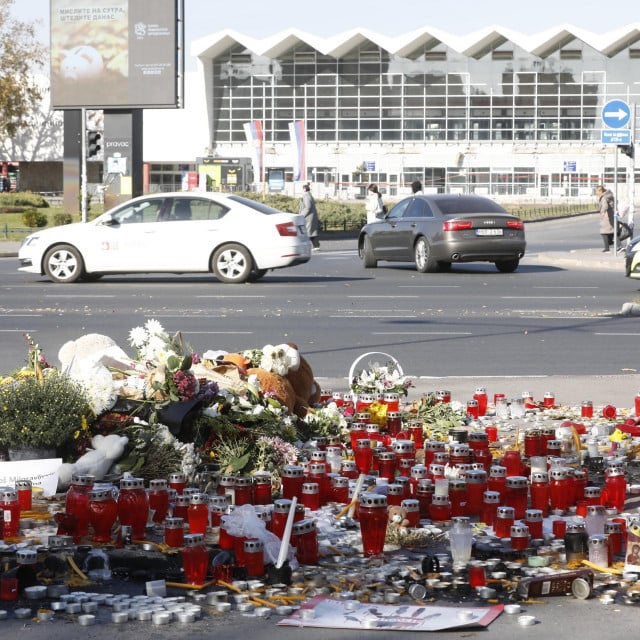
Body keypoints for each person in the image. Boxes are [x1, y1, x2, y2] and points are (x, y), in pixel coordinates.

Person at [299, 183, 320, 250]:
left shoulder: (305, 195)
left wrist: (301, 215)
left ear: (304, 189)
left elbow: (308, 207)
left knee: (307, 232)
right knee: (311, 232)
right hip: (311, 216)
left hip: (308, 217)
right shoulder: (309, 195)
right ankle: (316, 245)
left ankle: (308, 246)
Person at [596, 185, 615, 252]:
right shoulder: (608, 196)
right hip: (610, 215)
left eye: (597, 191)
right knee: (611, 231)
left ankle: (608, 247)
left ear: (600, 191)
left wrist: (602, 213)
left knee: (604, 232)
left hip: (606, 217)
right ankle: (616, 245)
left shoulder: (604, 197)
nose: (596, 193)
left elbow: (605, 206)